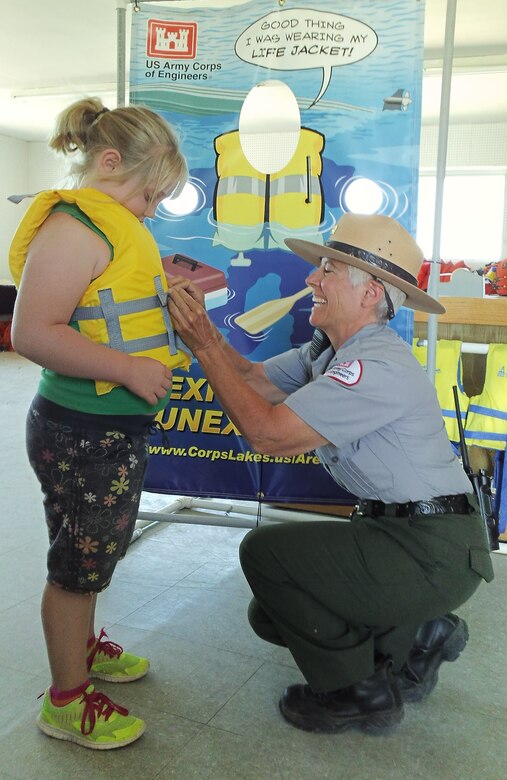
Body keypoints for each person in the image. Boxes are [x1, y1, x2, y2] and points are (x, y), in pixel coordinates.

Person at [166, 212, 494, 735]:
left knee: (265, 555)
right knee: (270, 613)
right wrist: (200, 330)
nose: (311, 280)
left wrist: (204, 345)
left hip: (432, 548)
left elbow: (268, 434)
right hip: (406, 535)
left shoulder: (374, 367)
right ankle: (419, 633)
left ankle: (360, 693)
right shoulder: (331, 352)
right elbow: (252, 378)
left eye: (328, 271)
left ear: (371, 295)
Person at [9, 97, 190, 749]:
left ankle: (83, 647)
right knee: (76, 566)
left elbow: (105, 295)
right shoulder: (74, 226)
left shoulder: (110, 225)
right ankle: (65, 700)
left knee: (94, 551)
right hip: (81, 429)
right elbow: (32, 331)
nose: (151, 210)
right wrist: (130, 369)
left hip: (108, 429)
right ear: (110, 163)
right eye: (150, 195)